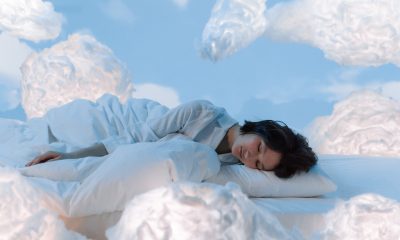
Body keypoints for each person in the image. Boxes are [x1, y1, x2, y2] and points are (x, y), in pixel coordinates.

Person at [26, 98, 317, 178]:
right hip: (139, 126)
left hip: (152, 145)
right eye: (259, 148)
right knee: (80, 124)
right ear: (259, 130)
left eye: (260, 165)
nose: (249, 158)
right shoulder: (202, 112)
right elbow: (136, 136)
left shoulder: (235, 167)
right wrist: (71, 157)